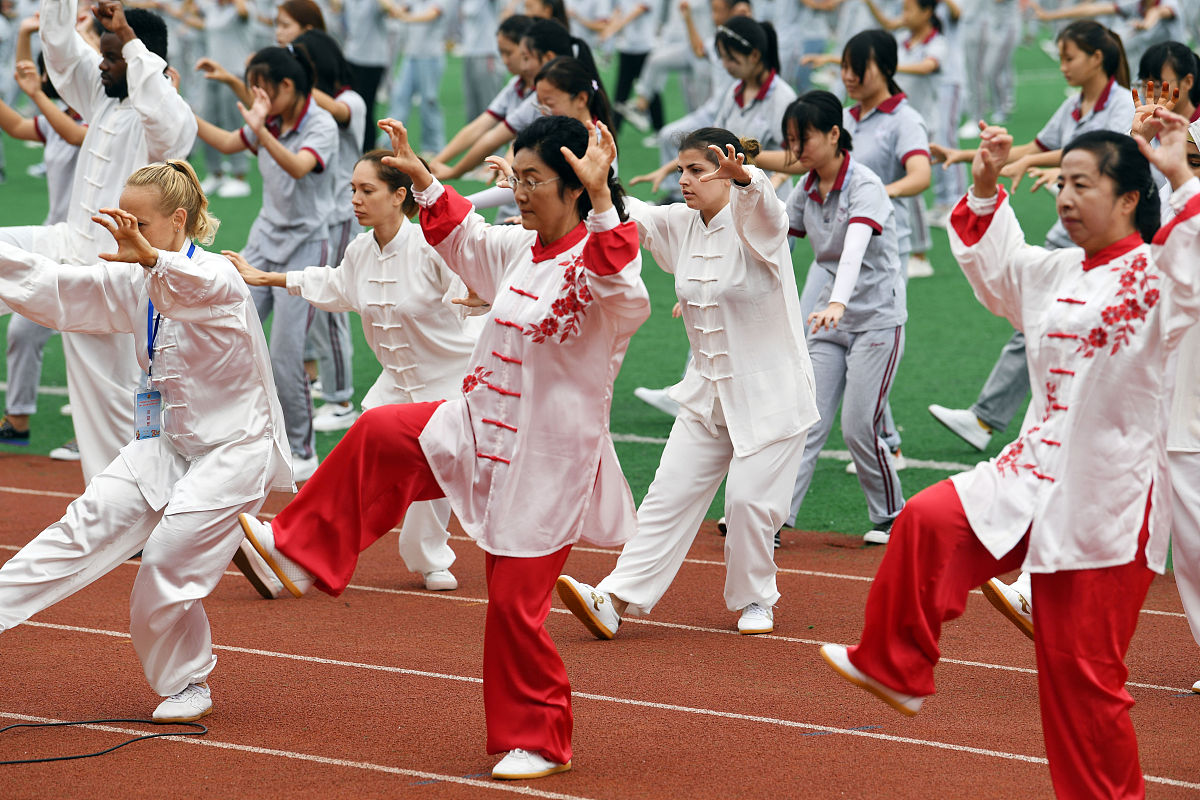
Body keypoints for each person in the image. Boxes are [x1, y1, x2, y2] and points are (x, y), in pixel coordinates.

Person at [233, 115, 650, 780]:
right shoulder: (522, 249)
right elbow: (466, 240)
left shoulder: (600, 266)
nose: (518, 191)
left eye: (533, 179)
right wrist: (422, 177)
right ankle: (296, 552)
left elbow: (624, 293)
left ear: (576, 187)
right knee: (378, 431)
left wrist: (604, 203)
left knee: (514, 604)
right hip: (476, 422)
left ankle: (540, 739)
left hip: (546, 461)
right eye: (515, 178)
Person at [820, 112, 1200, 799]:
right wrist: (988, 184)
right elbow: (999, 272)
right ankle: (896, 666)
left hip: (1109, 503)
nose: (1065, 196)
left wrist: (1178, 171)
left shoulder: (1158, 277)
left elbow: (1191, 264)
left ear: (1126, 199)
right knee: (929, 518)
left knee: (1082, 687)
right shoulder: (1054, 269)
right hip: (1033, 467)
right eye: (1062, 182)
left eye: (1083, 185)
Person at [0, 160, 292, 723]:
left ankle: (188, 681)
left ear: (178, 220)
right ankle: (251, 540)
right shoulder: (136, 278)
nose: (124, 233)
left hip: (235, 450)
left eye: (138, 223)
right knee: (77, 528)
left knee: (164, 558)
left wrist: (152, 258)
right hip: (167, 446)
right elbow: (54, 286)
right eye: (121, 221)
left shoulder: (219, 277)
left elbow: (196, 286)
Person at [557, 127, 816, 638]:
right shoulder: (680, 223)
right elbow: (625, 214)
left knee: (746, 504)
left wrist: (746, 177)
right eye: (681, 171)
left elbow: (767, 210)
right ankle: (614, 598)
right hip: (707, 394)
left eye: (697, 171)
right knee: (666, 495)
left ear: (727, 170)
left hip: (772, 395)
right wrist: (596, 181)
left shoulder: (757, 222)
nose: (684, 181)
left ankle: (756, 600)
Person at [227, 150, 478, 594]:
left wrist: (481, 294)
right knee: (362, 467)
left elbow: (476, 284)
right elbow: (334, 285)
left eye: (367, 190)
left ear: (400, 195)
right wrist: (266, 278)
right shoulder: (359, 250)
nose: (356, 200)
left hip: (451, 383)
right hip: (396, 384)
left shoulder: (432, 248)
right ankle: (299, 557)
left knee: (433, 476)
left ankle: (427, 557)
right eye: (353, 190)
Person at [0, 0, 196, 482]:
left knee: (108, 404)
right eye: (104, 55)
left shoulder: (166, 120)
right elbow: (64, 51)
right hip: (69, 244)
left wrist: (128, 37)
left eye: (112, 57)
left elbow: (167, 118)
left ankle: (129, 503)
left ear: (139, 57)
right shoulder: (107, 93)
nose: (101, 64)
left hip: (114, 274)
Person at [927, 19, 1134, 452]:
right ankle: (994, 418)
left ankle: (990, 418)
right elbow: (1032, 150)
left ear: (1098, 57)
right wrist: (969, 155)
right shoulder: (1075, 105)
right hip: (1070, 232)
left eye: (1069, 57)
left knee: (1047, 317)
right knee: (1041, 316)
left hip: (1098, 233)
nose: (1062, 66)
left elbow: (1102, 153)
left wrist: (1037, 164)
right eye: (1059, 57)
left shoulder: (1120, 104)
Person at [194, 44, 339, 481]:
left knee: (285, 354)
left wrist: (261, 128)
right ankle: (235, 432)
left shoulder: (321, 122)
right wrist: (174, 107)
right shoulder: (270, 117)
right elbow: (223, 140)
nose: (257, 99)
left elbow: (299, 166)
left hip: (307, 246)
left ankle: (300, 448)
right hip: (263, 239)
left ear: (287, 86)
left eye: (262, 90)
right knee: (230, 332)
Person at [777, 91, 907, 544]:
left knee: (858, 427)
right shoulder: (806, 187)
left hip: (875, 318)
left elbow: (852, 250)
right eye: (791, 140)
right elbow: (776, 241)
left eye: (804, 138)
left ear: (835, 134)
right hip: (829, 323)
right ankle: (773, 517)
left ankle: (892, 515)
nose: (798, 149)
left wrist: (836, 303)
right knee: (806, 419)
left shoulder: (865, 185)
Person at [0, 34, 85, 448]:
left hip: (91, 249)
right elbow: (16, 125)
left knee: (92, 345)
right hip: (52, 241)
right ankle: (17, 421)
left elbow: (74, 135)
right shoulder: (57, 116)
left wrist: (36, 92)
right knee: (23, 330)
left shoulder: (96, 115)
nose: (51, 75)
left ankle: (98, 436)